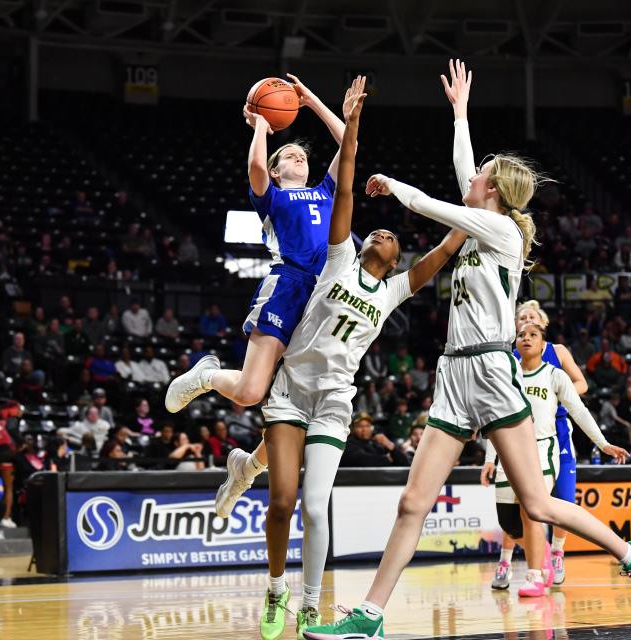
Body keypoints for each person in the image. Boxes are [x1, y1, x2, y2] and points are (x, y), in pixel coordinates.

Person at [304, 60, 631, 639]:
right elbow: (461, 167)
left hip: (494, 371)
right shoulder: (483, 217)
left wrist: (394, 186)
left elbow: (435, 205)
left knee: (538, 505)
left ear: (491, 191)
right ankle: (369, 616)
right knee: (411, 505)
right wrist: (461, 113)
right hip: (454, 375)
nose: (471, 177)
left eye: (481, 176)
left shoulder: (498, 231)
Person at [237, 77, 469, 640]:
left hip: (334, 403)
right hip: (292, 390)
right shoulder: (340, 255)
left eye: (392, 236)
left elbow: (440, 250)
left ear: (392, 261)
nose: (384, 231)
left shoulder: (393, 291)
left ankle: (313, 604)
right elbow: (345, 184)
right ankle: (275, 588)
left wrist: (471, 215)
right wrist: (346, 116)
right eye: (380, 229)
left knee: (315, 509)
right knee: (283, 502)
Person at [165, 72, 354, 508]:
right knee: (250, 392)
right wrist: (263, 130)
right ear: (276, 169)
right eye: (289, 155)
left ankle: (246, 469)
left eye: (302, 155)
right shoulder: (273, 197)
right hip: (287, 286)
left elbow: (349, 144)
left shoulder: (326, 191)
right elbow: (254, 168)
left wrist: (312, 101)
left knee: (298, 419)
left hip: (323, 299)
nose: (299, 157)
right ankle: (207, 375)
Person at [482, 322, 627, 597]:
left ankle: (534, 575)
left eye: (533, 335)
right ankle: (542, 552)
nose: (526, 339)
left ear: (543, 344)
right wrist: (490, 457)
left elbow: (580, 411)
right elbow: (494, 418)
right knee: (509, 523)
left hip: (541, 450)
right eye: (521, 335)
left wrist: (603, 443)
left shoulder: (555, 375)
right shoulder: (506, 375)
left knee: (531, 511)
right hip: (508, 451)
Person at [505, 300, 594, 586]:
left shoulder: (558, 353)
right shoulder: (510, 357)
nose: (526, 321)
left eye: (532, 317)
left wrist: (558, 392)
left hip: (556, 428)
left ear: (542, 326)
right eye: (522, 318)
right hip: (521, 432)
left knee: (563, 500)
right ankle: (509, 559)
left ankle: (556, 552)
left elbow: (581, 385)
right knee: (517, 501)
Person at [342, 412, 411, 468]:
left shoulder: (376, 444)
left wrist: (390, 446)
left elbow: (405, 464)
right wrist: (386, 459)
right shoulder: (348, 444)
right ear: (353, 429)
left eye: (367, 426)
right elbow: (362, 459)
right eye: (360, 426)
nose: (364, 429)